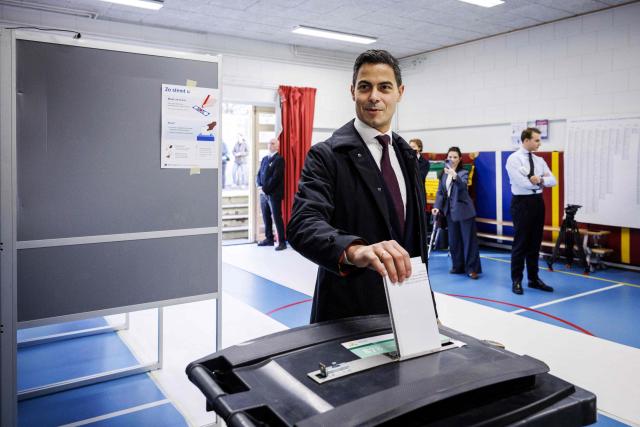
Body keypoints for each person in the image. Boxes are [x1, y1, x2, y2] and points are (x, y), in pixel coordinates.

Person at [287, 49, 432, 323]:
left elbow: (416, 246)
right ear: (352, 91)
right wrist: (355, 250)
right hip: (349, 310)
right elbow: (302, 224)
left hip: (409, 308)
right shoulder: (326, 155)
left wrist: (428, 306)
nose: (374, 96)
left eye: (384, 87)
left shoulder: (408, 156)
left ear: (399, 92)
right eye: (365, 87)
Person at [505, 127, 557, 295]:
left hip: (537, 202)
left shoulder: (539, 160)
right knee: (521, 243)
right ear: (526, 140)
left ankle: (533, 279)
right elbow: (523, 183)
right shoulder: (514, 160)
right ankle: (517, 280)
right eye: (536, 140)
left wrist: (540, 179)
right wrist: (538, 182)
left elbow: (553, 180)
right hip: (522, 203)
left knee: (535, 243)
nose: (539, 143)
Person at [432, 147, 482, 279]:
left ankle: (472, 269)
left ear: (460, 159)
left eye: (455, 157)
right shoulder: (443, 174)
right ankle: (458, 266)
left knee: (468, 241)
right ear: (446, 158)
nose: (452, 159)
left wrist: (455, 176)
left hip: (464, 211)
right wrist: (437, 206)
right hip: (450, 211)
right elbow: (440, 192)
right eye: (450, 157)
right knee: (454, 240)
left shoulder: (463, 172)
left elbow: (463, 187)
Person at [256, 138, 286, 251]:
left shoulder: (279, 159)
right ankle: (269, 239)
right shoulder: (264, 159)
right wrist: (259, 185)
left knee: (276, 217)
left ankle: (282, 242)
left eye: (272, 143)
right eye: (268, 143)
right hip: (263, 194)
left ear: (277, 146)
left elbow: (276, 178)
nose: (270, 145)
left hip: (273, 194)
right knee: (265, 216)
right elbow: (258, 174)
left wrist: (265, 188)